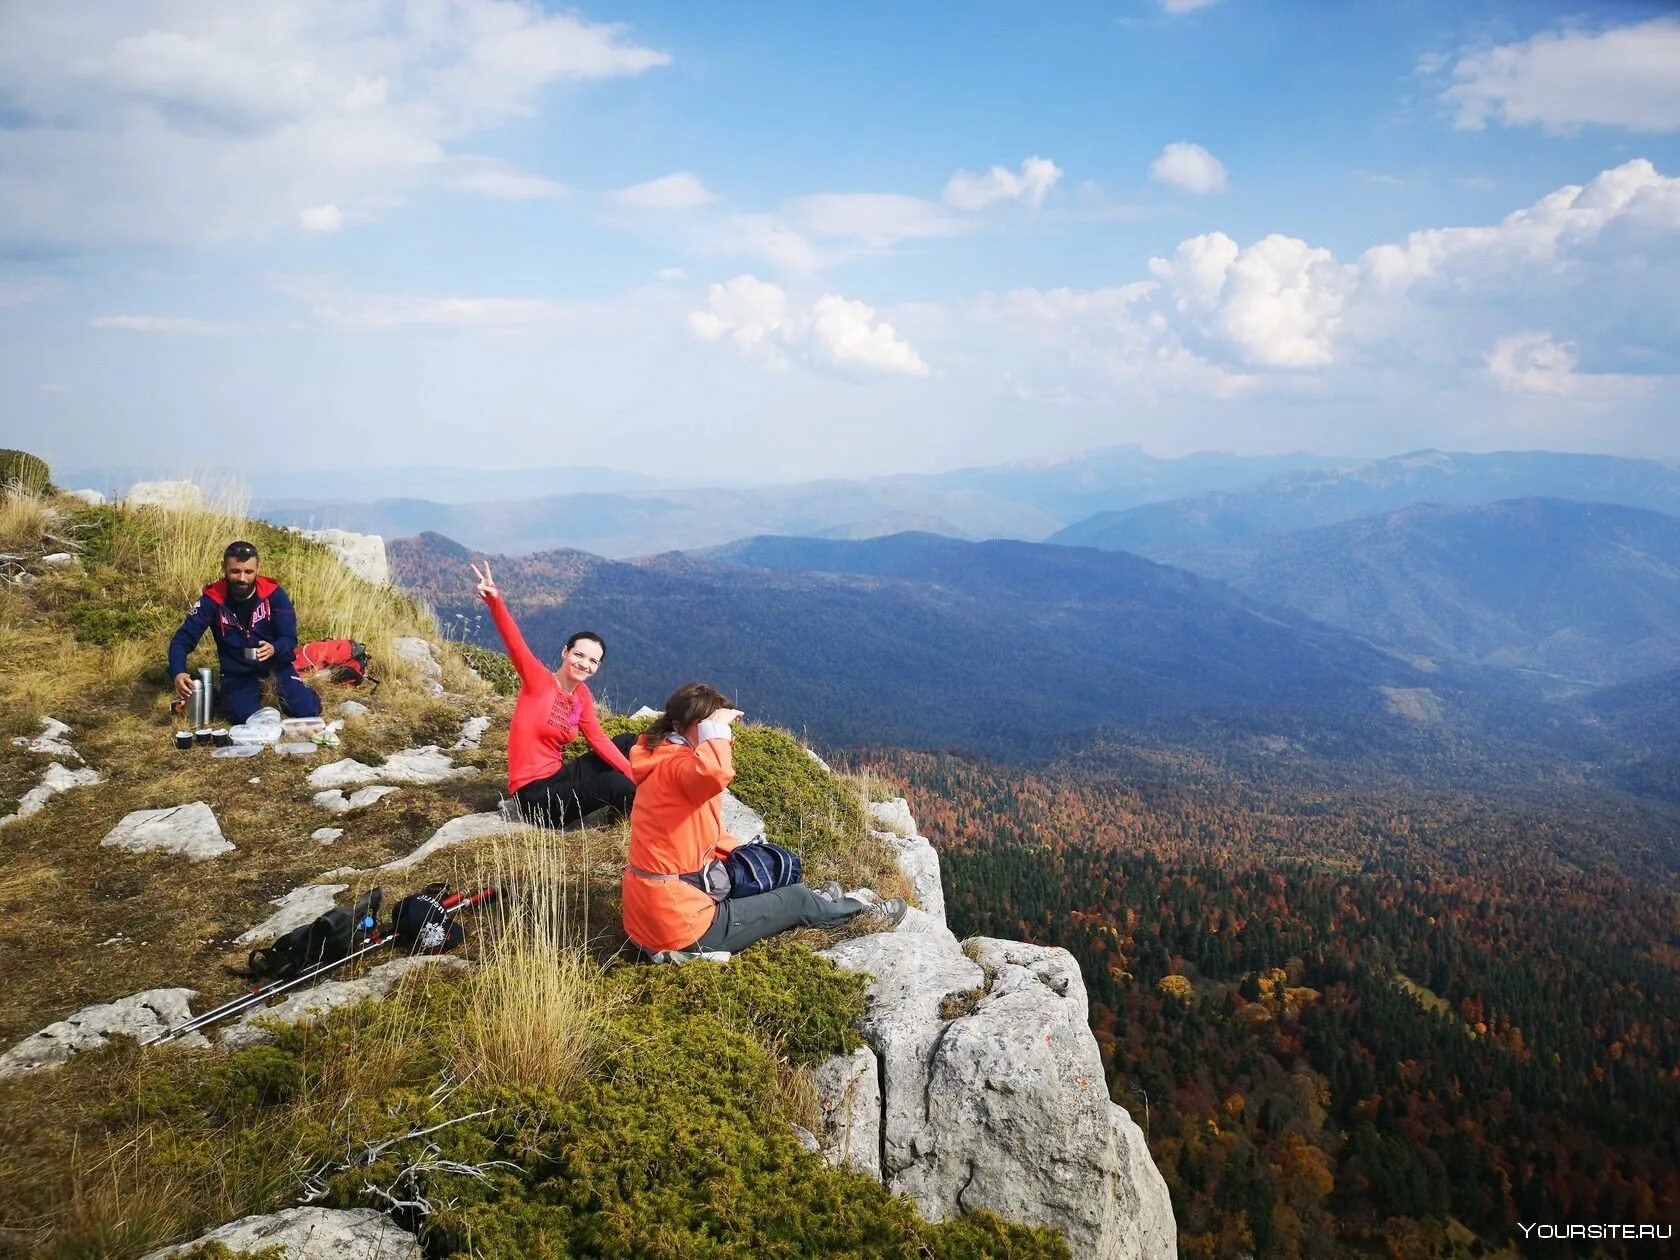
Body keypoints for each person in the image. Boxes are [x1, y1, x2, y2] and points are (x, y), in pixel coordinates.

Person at [622, 681, 907, 960]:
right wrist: (716, 729)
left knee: (757, 876)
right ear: (689, 725)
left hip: (649, 916)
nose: (725, 735)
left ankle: (819, 902)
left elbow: (701, 831)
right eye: (713, 727)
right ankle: (862, 913)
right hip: (681, 928)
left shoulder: (662, 758)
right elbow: (714, 773)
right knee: (796, 899)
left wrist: (746, 857)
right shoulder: (680, 768)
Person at [472, 559, 637, 827]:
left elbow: (598, 739)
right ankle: (635, 810)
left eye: (593, 661)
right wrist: (495, 601)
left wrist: (632, 771)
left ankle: (628, 805)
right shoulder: (539, 682)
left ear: (598, 666)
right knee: (615, 783)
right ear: (565, 653)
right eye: (579, 655)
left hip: (558, 777)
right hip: (534, 797)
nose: (584, 663)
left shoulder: (582, 696)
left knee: (629, 742)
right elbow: (515, 643)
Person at [169, 540, 322, 724]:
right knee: (245, 720)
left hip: (276, 666)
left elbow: (289, 638)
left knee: (308, 711)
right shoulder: (212, 599)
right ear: (224, 568)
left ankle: (298, 689)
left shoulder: (274, 594)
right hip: (237, 673)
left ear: (258, 568)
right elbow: (182, 640)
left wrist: (275, 648)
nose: (242, 578)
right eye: (235, 571)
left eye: (248, 572)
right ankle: (227, 695)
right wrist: (178, 672)